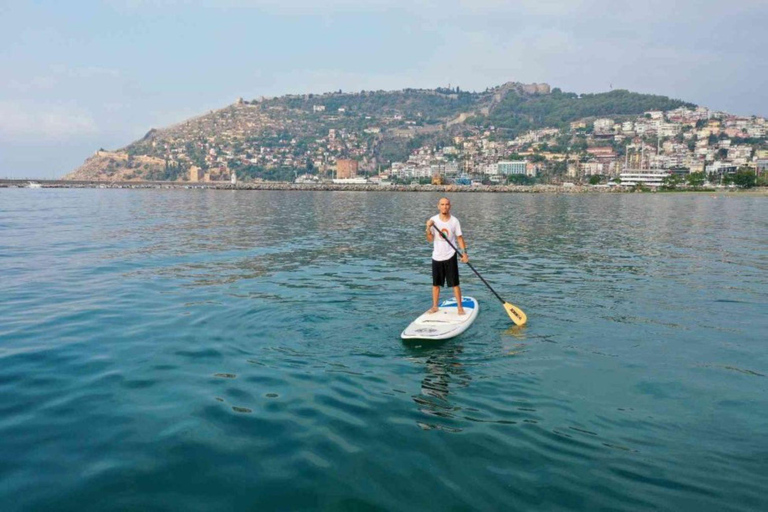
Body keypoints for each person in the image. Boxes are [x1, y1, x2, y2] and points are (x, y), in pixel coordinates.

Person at [425, 197, 469, 315]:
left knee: (455, 284)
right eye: (442, 204)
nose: (444, 206)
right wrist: (428, 228)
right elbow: (430, 239)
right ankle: (435, 306)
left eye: (447, 204)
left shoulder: (454, 221)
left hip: (451, 255)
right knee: (436, 285)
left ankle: (460, 308)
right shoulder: (433, 220)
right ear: (438, 206)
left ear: (450, 206)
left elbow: (459, 238)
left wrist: (464, 253)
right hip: (437, 256)